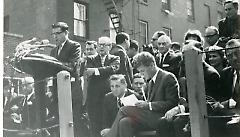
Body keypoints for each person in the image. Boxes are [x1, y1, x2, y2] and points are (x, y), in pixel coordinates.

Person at [105, 51, 180, 137]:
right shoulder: (151, 81)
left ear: (152, 65)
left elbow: (172, 103)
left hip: (162, 117)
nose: (141, 74)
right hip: (151, 116)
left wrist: (148, 105)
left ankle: (110, 135)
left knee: (123, 109)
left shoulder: (168, 77)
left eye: (142, 71)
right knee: (124, 122)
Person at [50, 22, 84, 137]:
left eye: (58, 33)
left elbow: (73, 65)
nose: (55, 36)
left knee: (73, 124)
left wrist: (53, 65)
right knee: (59, 124)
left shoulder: (75, 46)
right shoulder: (53, 51)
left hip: (71, 91)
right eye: (53, 34)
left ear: (66, 33)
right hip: (57, 92)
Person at [81, 36, 120, 137]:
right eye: (99, 45)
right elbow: (88, 71)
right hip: (94, 98)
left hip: (109, 96)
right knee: (94, 126)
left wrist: (96, 71)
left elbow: (112, 69)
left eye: (104, 45)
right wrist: (99, 71)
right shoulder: (90, 59)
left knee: (109, 124)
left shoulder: (115, 58)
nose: (101, 47)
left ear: (110, 46)